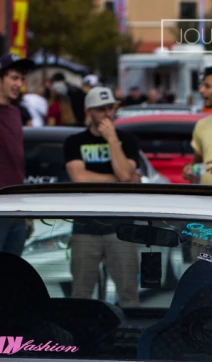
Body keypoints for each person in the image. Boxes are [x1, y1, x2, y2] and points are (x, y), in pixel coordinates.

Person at [63, 86, 141, 307]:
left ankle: (129, 337)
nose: (107, 114)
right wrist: (118, 178)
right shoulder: (74, 142)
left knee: (128, 293)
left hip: (122, 227)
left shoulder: (127, 140)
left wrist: (112, 139)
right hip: (86, 226)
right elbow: (79, 177)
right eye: (101, 109)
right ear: (89, 111)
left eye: (111, 108)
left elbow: (125, 174)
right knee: (80, 294)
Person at [0, 53, 35, 254]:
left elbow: (16, 163)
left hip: (16, 206)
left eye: (22, 79)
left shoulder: (16, 112)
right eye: (14, 78)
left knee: (12, 273)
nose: (19, 84)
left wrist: (24, 212)